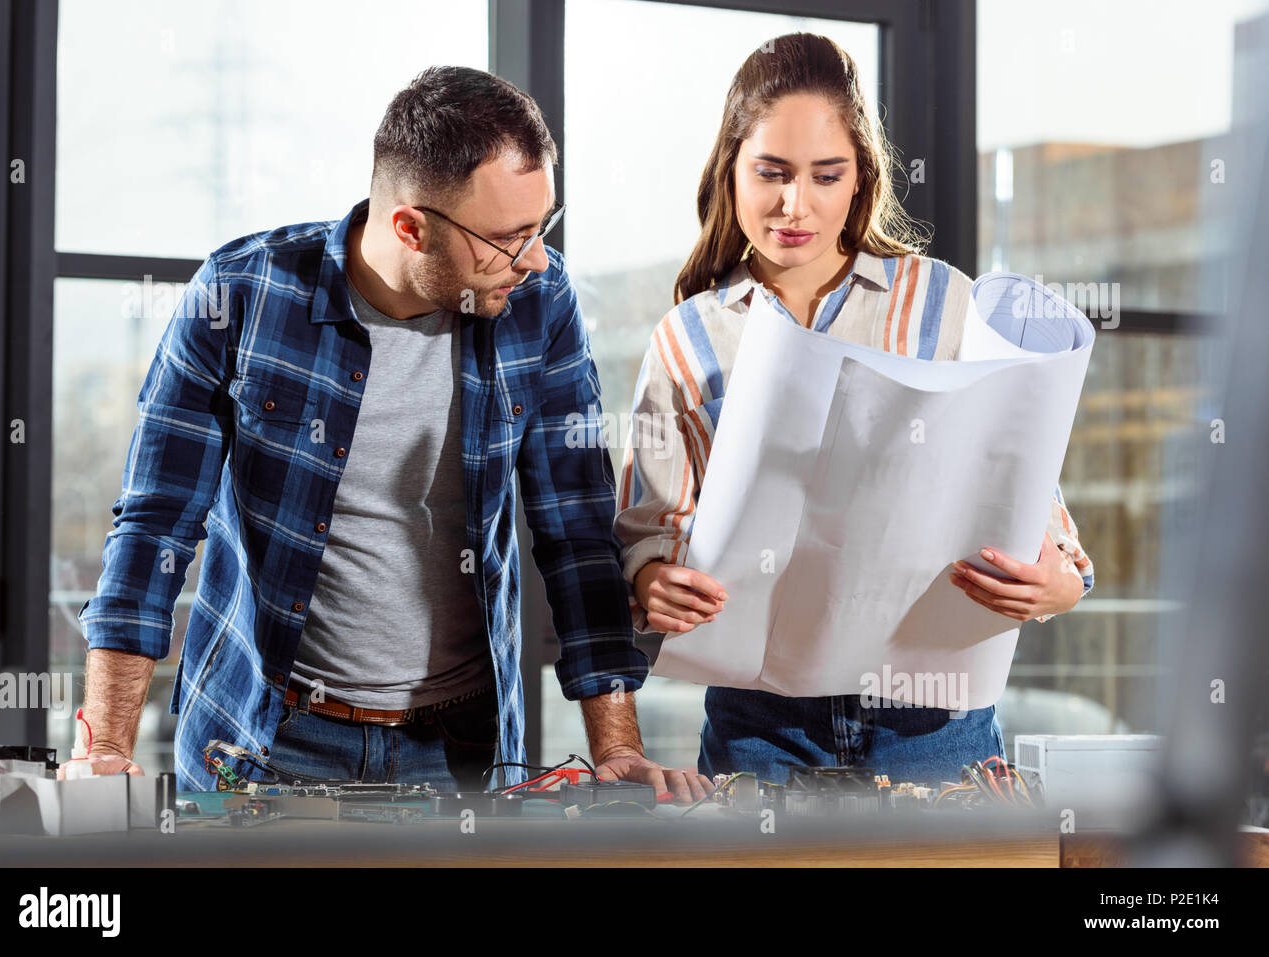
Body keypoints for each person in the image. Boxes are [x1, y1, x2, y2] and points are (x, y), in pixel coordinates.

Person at [71, 65, 712, 801]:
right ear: (410, 226)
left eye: (544, 228)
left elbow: (576, 530)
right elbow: (154, 526)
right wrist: (108, 752)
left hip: (458, 751)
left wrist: (617, 745)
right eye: (508, 239)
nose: (534, 259)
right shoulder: (241, 295)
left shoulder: (540, 300)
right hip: (264, 742)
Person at [614, 34, 1095, 788]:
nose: (793, 204)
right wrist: (651, 582)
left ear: (859, 178)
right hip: (762, 724)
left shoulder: (944, 302)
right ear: (730, 169)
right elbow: (648, 533)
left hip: (933, 720)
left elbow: (1031, 497)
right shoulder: (688, 336)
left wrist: (1063, 580)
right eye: (769, 172)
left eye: (825, 175)